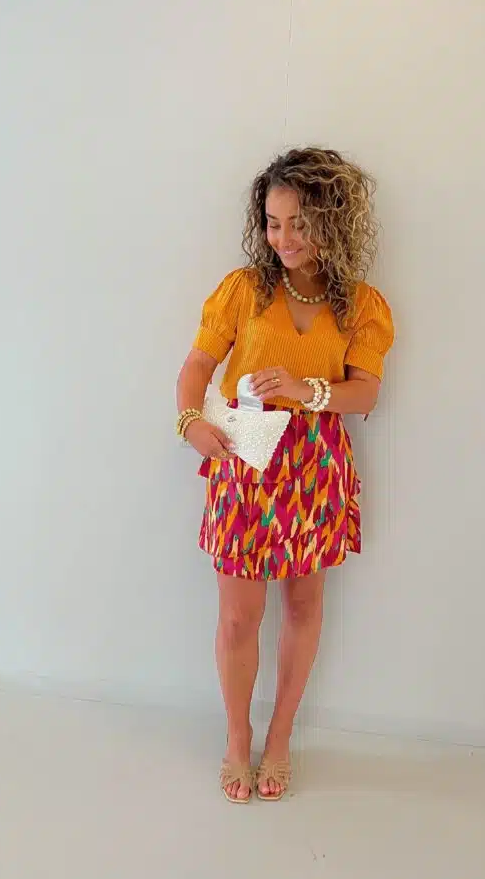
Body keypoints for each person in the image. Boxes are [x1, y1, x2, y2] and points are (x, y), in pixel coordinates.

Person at [176, 147, 394, 803]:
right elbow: (197, 365)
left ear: (332, 221)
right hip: (245, 459)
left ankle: (278, 738)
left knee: (302, 605)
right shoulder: (244, 290)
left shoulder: (360, 305)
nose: (284, 238)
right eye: (273, 223)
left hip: (315, 467)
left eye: (299, 223)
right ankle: (237, 739)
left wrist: (306, 389)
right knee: (239, 617)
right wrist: (190, 421)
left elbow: (365, 392)